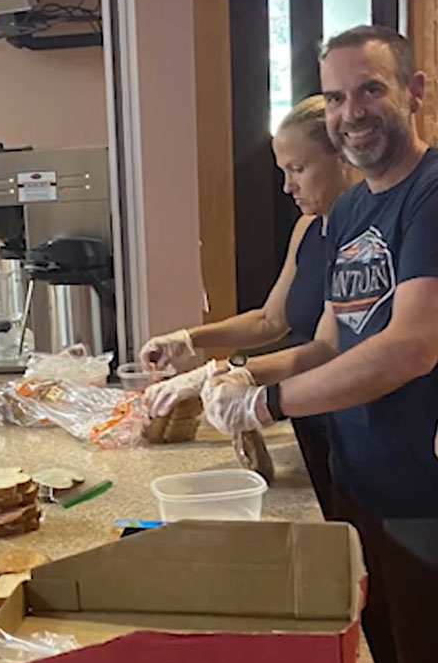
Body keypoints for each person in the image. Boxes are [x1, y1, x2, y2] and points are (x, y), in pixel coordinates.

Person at [201, 25, 438, 663]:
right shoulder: (353, 208)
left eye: (370, 90)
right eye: (335, 97)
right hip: (356, 480)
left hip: (423, 494)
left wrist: (266, 404)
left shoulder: (431, 195)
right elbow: (332, 342)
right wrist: (233, 375)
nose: (350, 113)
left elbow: (411, 346)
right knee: (376, 661)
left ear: (414, 92)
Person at [140, 95, 356, 517]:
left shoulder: (358, 238)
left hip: (349, 421)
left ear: (343, 159)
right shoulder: (308, 228)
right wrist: (189, 338)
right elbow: (269, 320)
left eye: (298, 169)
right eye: (283, 171)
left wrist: (229, 371)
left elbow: (328, 349)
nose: (287, 187)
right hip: (303, 417)